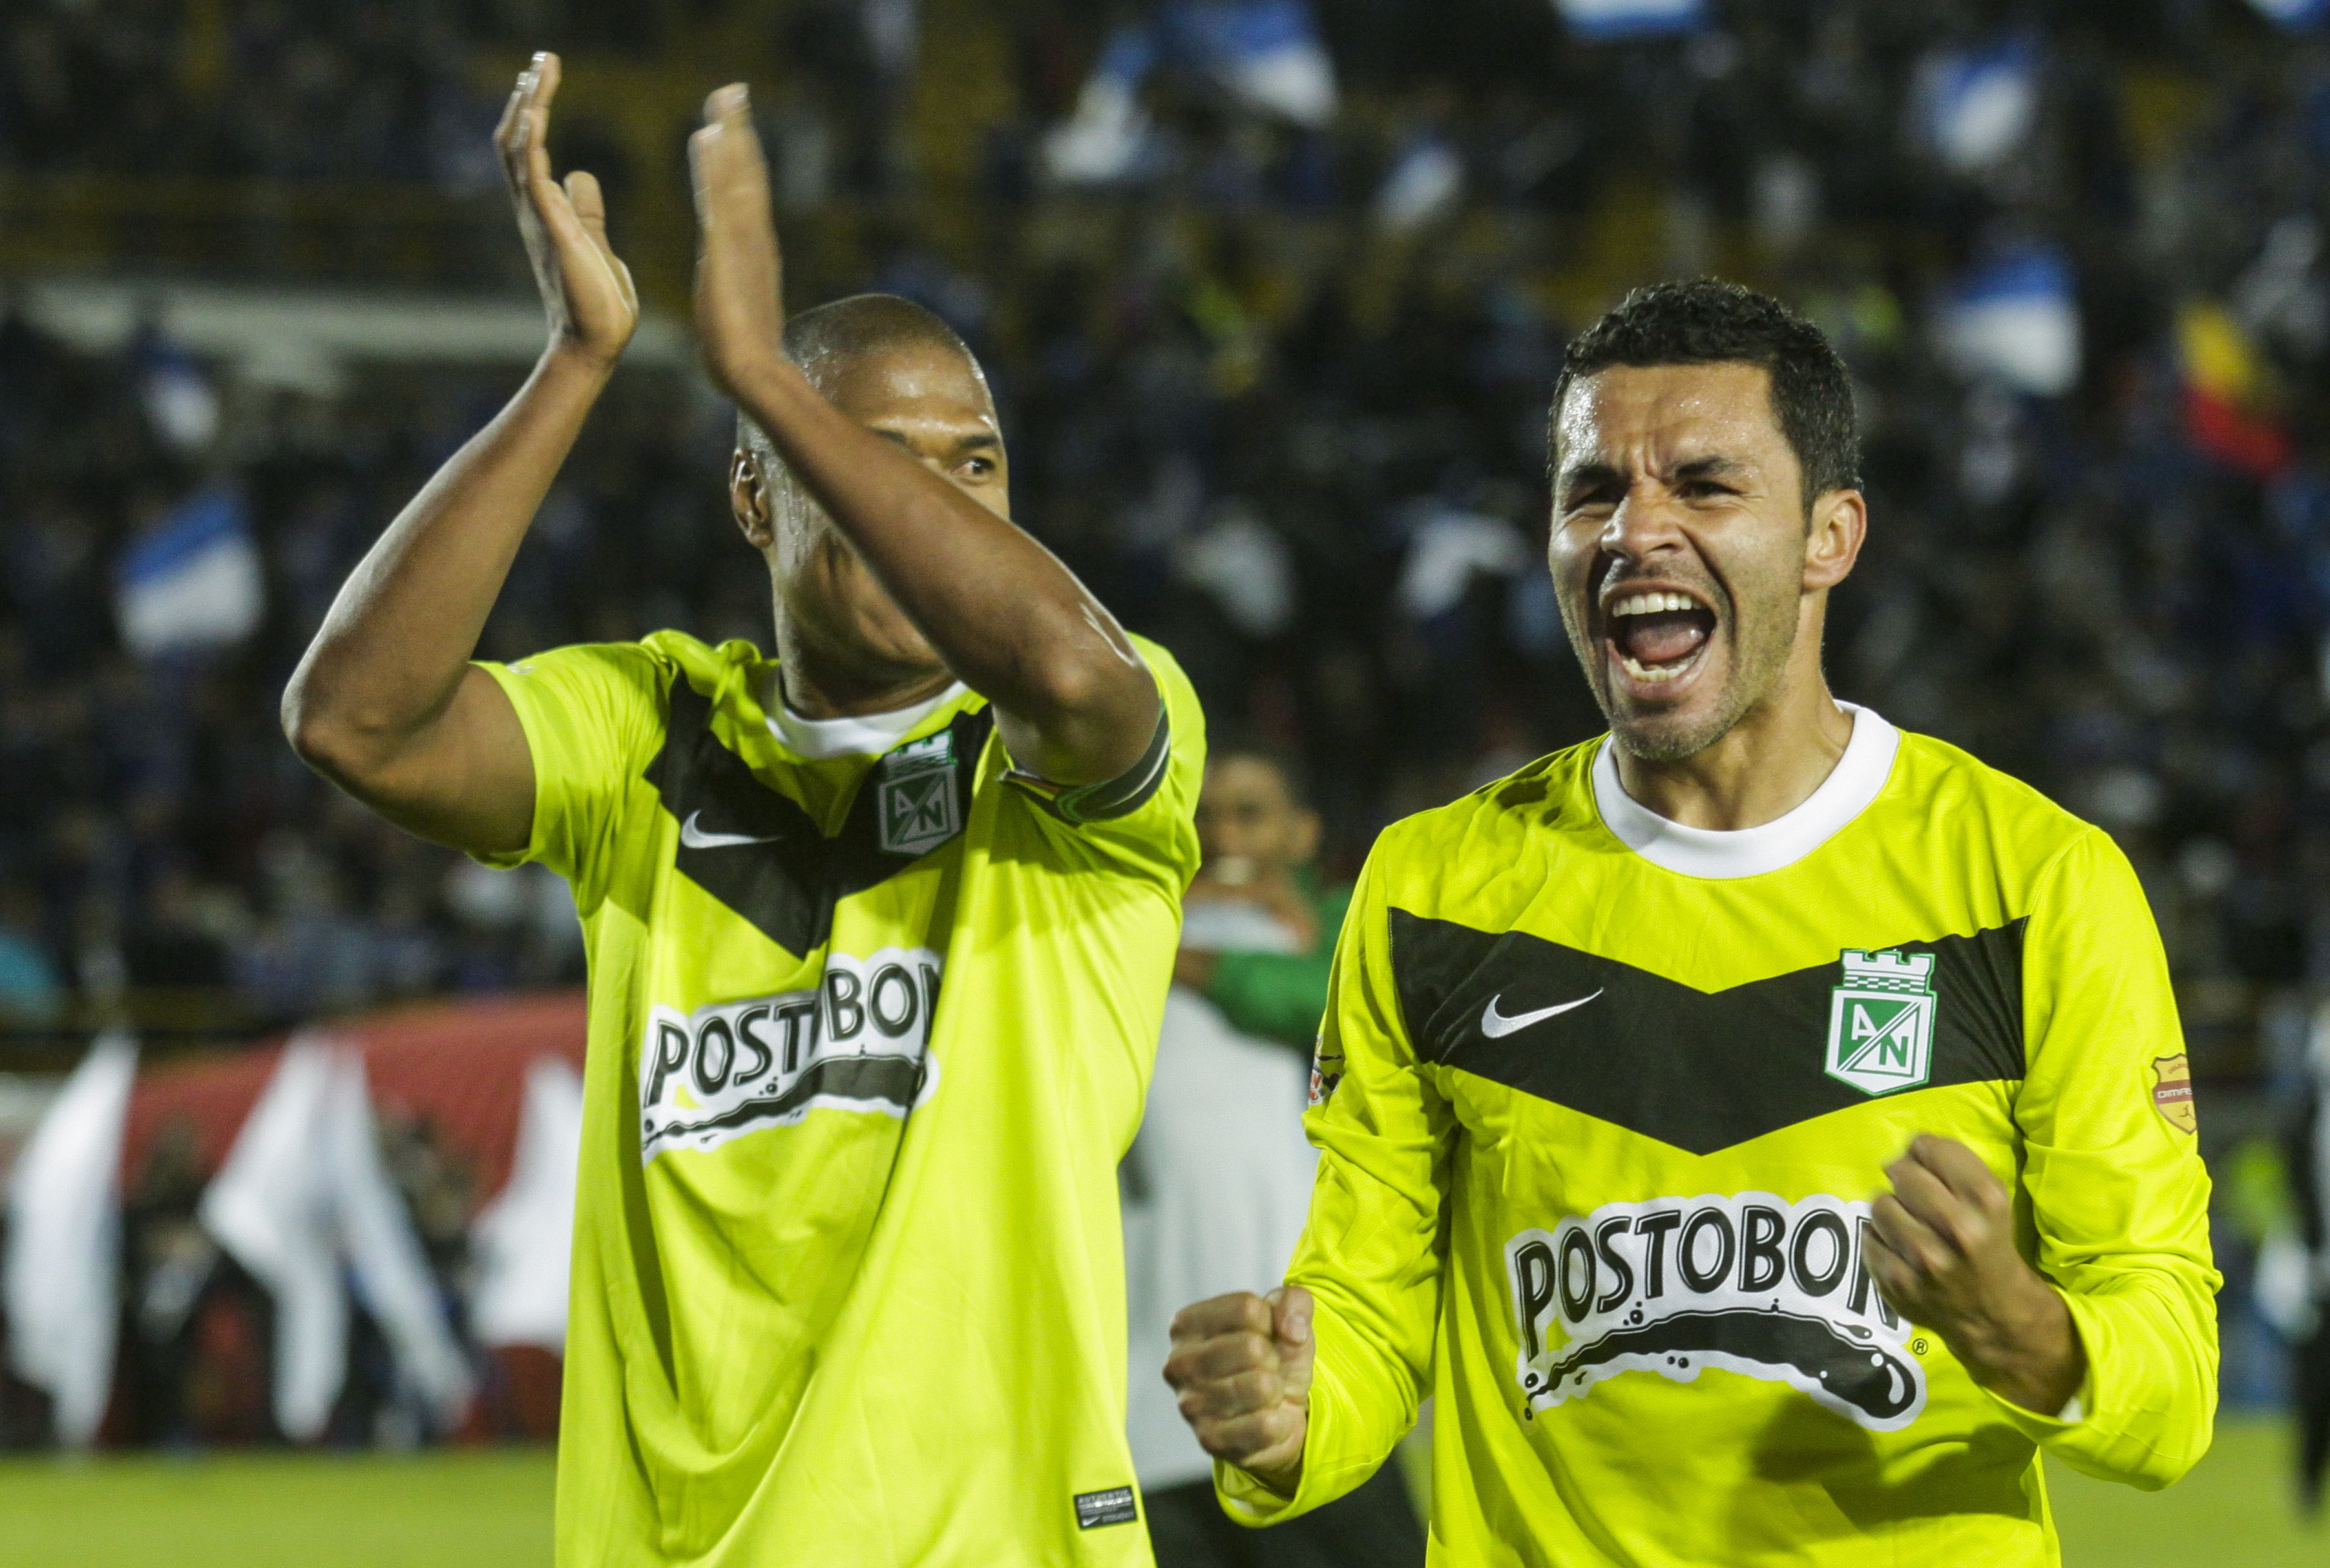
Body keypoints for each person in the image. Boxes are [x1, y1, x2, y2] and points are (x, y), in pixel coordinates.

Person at [284, 57, 1203, 1567]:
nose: (936, 505)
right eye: (870, 460)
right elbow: (352, 720)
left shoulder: (1056, 753)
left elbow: (1069, 672)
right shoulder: (649, 728)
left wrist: (777, 384)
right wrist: (578, 363)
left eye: (974, 465)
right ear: (752, 499)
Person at [1162, 280, 2219, 1565]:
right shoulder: (1433, 887)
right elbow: (1373, 1322)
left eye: (1704, 486)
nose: (1633, 530)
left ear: (1831, 535)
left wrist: (2026, 1333)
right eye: (1592, 491)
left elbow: (2169, 1374)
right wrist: (1292, 1416)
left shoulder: (2034, 880)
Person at [1126, 745, 1423, 1567]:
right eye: (1205, 815)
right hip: (1150, 1380)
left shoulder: (1343, 926)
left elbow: (1318, 1001)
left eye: (1251, 812)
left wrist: (1186, 958)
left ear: (1303, 832)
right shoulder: (1130, 929)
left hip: (1308, 1362)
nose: (1223, 831)